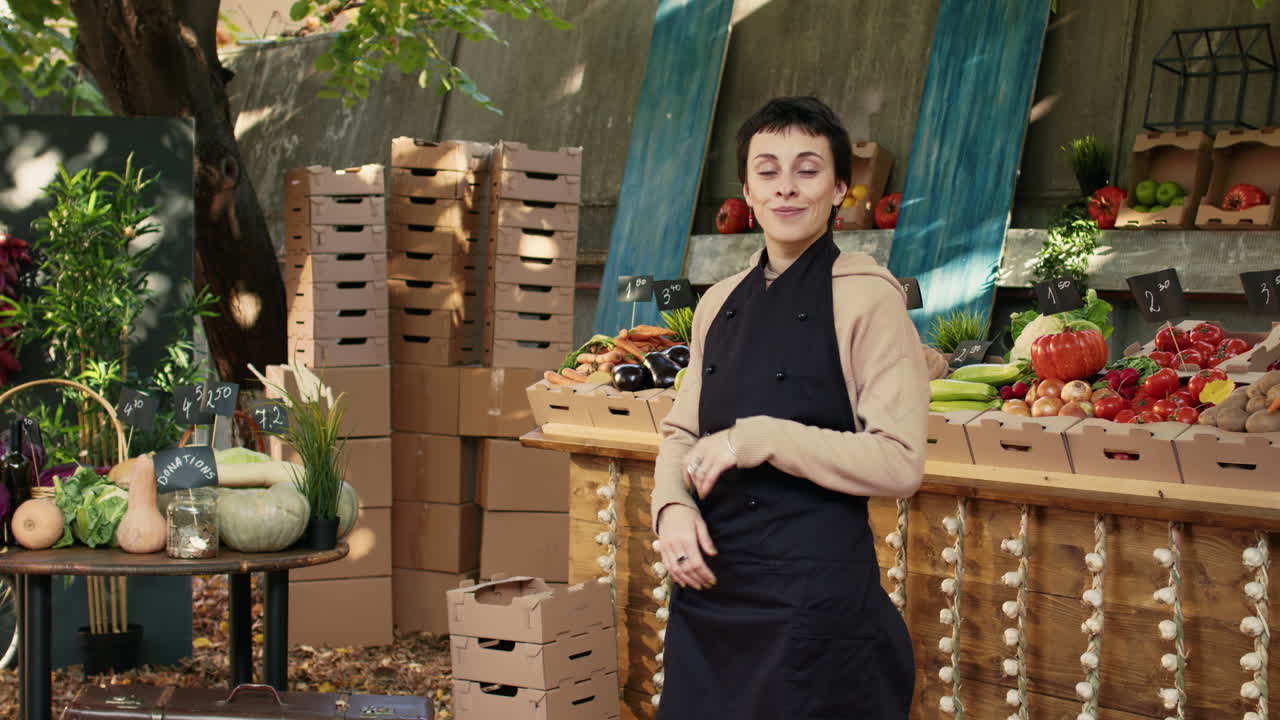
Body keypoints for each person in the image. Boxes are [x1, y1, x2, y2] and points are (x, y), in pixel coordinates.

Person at [650, 96, 928, 719]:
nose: (786, 188)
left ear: (838, 189)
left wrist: (759, 438)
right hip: (712, 593)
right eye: (767, 171)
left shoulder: (867, 298)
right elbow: (680, 433)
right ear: (746, 190)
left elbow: (900, 463)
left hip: (814, 605)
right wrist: (670, 510)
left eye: (807, 169)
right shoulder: (718, 302)